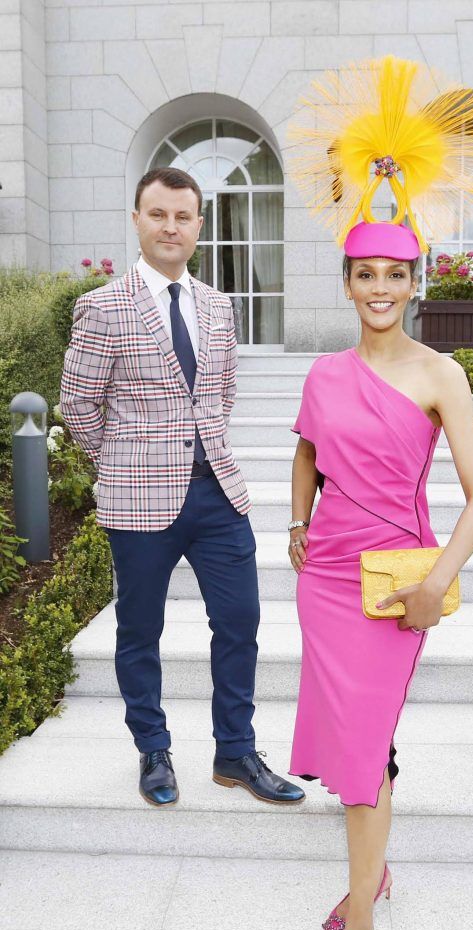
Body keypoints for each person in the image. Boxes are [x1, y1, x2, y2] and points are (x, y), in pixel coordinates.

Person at [287, 55, 473, 930]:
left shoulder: (441, 374)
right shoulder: (325, 374)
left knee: (364, 751)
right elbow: (306, 455)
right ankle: (371, 877)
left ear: (415, 280)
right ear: (347, 280)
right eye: (364, 274)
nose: (379, 287)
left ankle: (362, 919)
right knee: (352, 749)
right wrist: (295, 522)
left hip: (392, 584)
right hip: (325, 577)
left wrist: (436, 586)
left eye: (394, 274)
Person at [60, 167, 304, 810]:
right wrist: (119, 465)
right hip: (138, 497)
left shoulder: (218, 305)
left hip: (217, 494)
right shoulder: (103, 305)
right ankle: (153, 748)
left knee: (241, 621)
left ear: (199, 225)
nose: (171, 226)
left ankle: (236, 751)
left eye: (183, 216)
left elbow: (221, 392)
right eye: (158, 214)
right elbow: (79, 405)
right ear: (137, 219)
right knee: (140, 629)